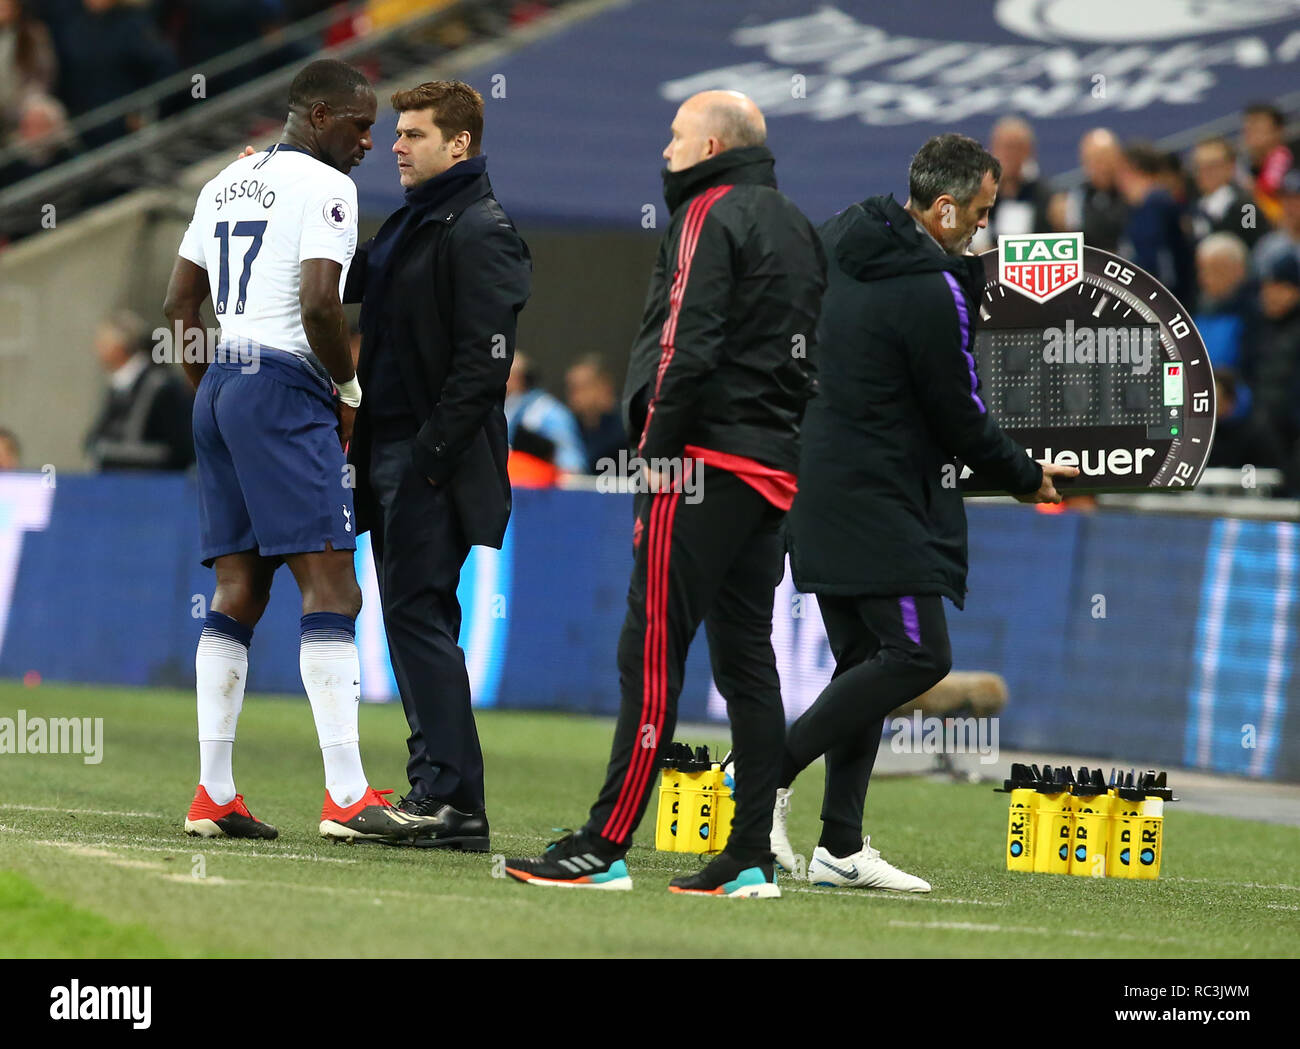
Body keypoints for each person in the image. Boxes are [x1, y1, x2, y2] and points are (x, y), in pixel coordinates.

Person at [505, 89, 826, 897]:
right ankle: (749, 853)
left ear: (714, 144)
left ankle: (606, 843)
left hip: (700, 462)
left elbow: (688, 337)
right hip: (769, 465)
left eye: (678, 135)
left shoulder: (707, 212)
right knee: (747, 662)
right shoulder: (796, 226)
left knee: (649, 648)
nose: (665, 150)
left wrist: (654, 451)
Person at [774, 134, 1077, 891]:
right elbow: (961, 416)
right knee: (917, 656)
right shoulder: (934, 288)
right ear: (942, 207)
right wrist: (1024, 475)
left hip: (813, 481)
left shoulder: (841, 232)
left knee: (863, 664)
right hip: (882, 500)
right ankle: (763, 770)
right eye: (976, 214)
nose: (981, 228)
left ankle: (839, 846)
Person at [163, 59, 440, 845]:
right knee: (333, 587)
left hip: (224, 379)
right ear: (318, 115)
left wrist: (212, 390)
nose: (368, 144)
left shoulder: (225, 180)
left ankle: (214, 792)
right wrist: (347, 392)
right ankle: (348, 794)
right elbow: (322, 301)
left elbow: (180, 303)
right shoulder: (328, 188)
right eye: (358, 127)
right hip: (285, 383)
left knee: (239, 589)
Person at [343, 80, 531, 851]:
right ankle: (439, 791)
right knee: (412, 620)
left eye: (414, 133)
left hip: (427, 460)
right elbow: (349, 287)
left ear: (460, 143)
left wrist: (427, 461)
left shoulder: (482, 230)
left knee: (420, 618)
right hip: (389, 450)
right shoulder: (411, 222)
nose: (396, 144)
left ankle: (451, 801)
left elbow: (483, 367)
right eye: (398, 133)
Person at [84, 309, 195, 472]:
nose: (97, 349)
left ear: (119, 347)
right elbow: (93, 441)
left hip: (153, 487)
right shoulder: (119, 386)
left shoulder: (161, 386)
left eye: (103, 343)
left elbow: (179, 448)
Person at [1116, 141, 1195, 307]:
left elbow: (1160, 261)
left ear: (1132, 169)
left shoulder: (1157, 203)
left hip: (1166, 303)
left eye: (1120, 171)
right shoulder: (1138, 208)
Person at [970, 116, 1050, 252]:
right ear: (992, 149)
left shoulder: (1044, 197)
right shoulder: (975, 194)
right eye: (1004, 147)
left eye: (1017, 147)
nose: (1009, 154)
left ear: (1029, 152)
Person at [504, 350, 587, 474]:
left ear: (519, 378)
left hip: (538, 487)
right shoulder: (503, 408)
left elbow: (572, 464)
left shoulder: (548, 412)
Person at [1051, 128, 1127, 253]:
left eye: (1106, 158)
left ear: (1118, 158)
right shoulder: (1073, 200)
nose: (1102, 166)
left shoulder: (1133, 197)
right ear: (1084, 161)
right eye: (1095, 159)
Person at [1190, 136, 1268, 249]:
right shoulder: (1195, 209)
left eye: (1212, 166)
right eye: (1199, 167)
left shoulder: (1246, 206)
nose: (1205, 172)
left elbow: (1257, 242)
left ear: (1230, 167)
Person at [565, 353, 625, 471]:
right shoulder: (570, 426)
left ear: (604, 387)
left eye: (582, 387)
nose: (575, 395)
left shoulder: (625, 429)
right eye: (571, 388)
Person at [1241, 102, 1294, 228]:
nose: (1250, 135)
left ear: (1278, 131)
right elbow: (1248, 219)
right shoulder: (1247, 168)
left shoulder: (1285, 158)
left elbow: (1270, 186)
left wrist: (1251, 188)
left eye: (1257, 129)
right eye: (1247, 129)